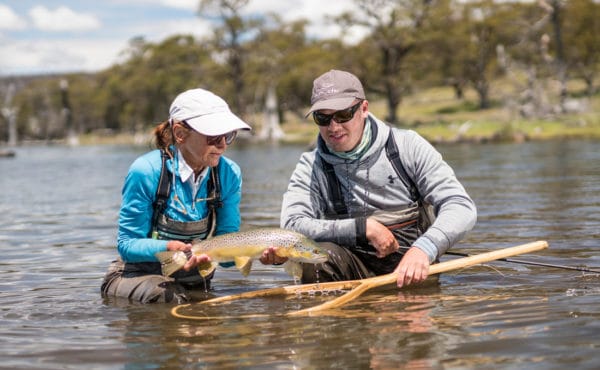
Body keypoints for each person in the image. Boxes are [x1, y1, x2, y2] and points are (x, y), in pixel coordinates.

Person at [280, 70, 477, 288]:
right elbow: (292, 226)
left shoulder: (407, 146)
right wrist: (363, 228)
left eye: (343, 115)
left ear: (363, 109)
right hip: (347, 270)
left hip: (411, 267)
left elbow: (460, 206)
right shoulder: (310, 165)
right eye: (323, 118)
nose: (333, 127)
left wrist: (426, 248)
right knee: (318, 259)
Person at [101, 88, 283, 304]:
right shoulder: (146, 171)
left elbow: (224, 257)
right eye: (214, 136)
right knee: (169, 297)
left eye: (228, 135)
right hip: (135, 277)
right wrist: (169, 248)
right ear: (180, 134)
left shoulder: (229, 174)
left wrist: (258, 254)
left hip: (192, 282)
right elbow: (127, 245)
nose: (223, 144)